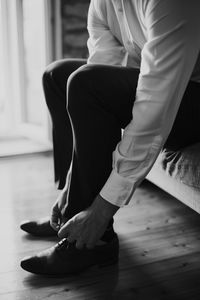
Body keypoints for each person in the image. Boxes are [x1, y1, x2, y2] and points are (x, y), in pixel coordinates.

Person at [20, 0, 200, 275]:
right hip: (163, 88)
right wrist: (71, 186)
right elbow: (99, 71)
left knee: (86, 83)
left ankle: (93, 242)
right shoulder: (103, 4)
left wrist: (102, 211)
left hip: (189, 99)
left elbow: (156, 106)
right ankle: (71, 212)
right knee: (58, 75)